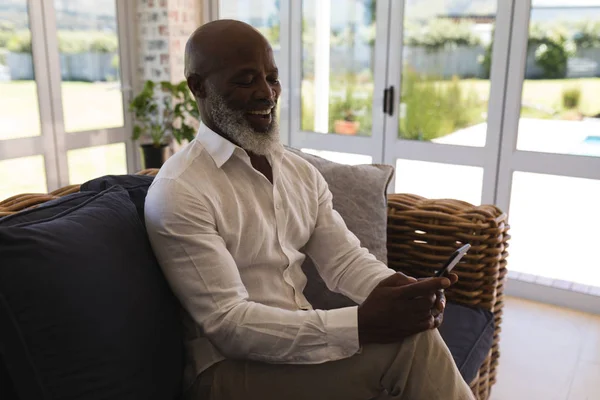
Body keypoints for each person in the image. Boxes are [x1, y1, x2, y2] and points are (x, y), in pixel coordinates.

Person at [144, 19, 475, 400]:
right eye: (245, 80)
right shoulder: (180, 191)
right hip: (225, 372)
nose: (267, 94)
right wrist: (361, 324)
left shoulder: (299, 172)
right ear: (198, 86)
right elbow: (229, 324)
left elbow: (345, 261)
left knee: (416, 332)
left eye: (272, 78)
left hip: (296, 350)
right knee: (411, 347)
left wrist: (401, 292)